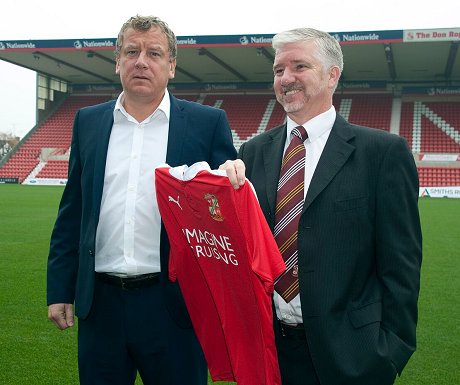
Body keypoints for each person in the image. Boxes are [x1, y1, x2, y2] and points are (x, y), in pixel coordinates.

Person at [221, 27, 422, 385]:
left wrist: (390, 352)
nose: (286, 78)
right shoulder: (252, 152)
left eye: (300, 66)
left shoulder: (382, 152)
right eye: (279, 70)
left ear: (332, 75)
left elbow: (401, 265)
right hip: (270, 351)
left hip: (352, 355)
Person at [47, 15, 237, 385]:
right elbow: (72, 212)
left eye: (154, 53)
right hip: (100, 306)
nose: (141, 61)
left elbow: (226, 217)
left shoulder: (207, 122)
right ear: (117, 61)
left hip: (174, 306)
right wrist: (59, 289)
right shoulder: (88, 121)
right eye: (131, 51)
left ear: (172, 65)